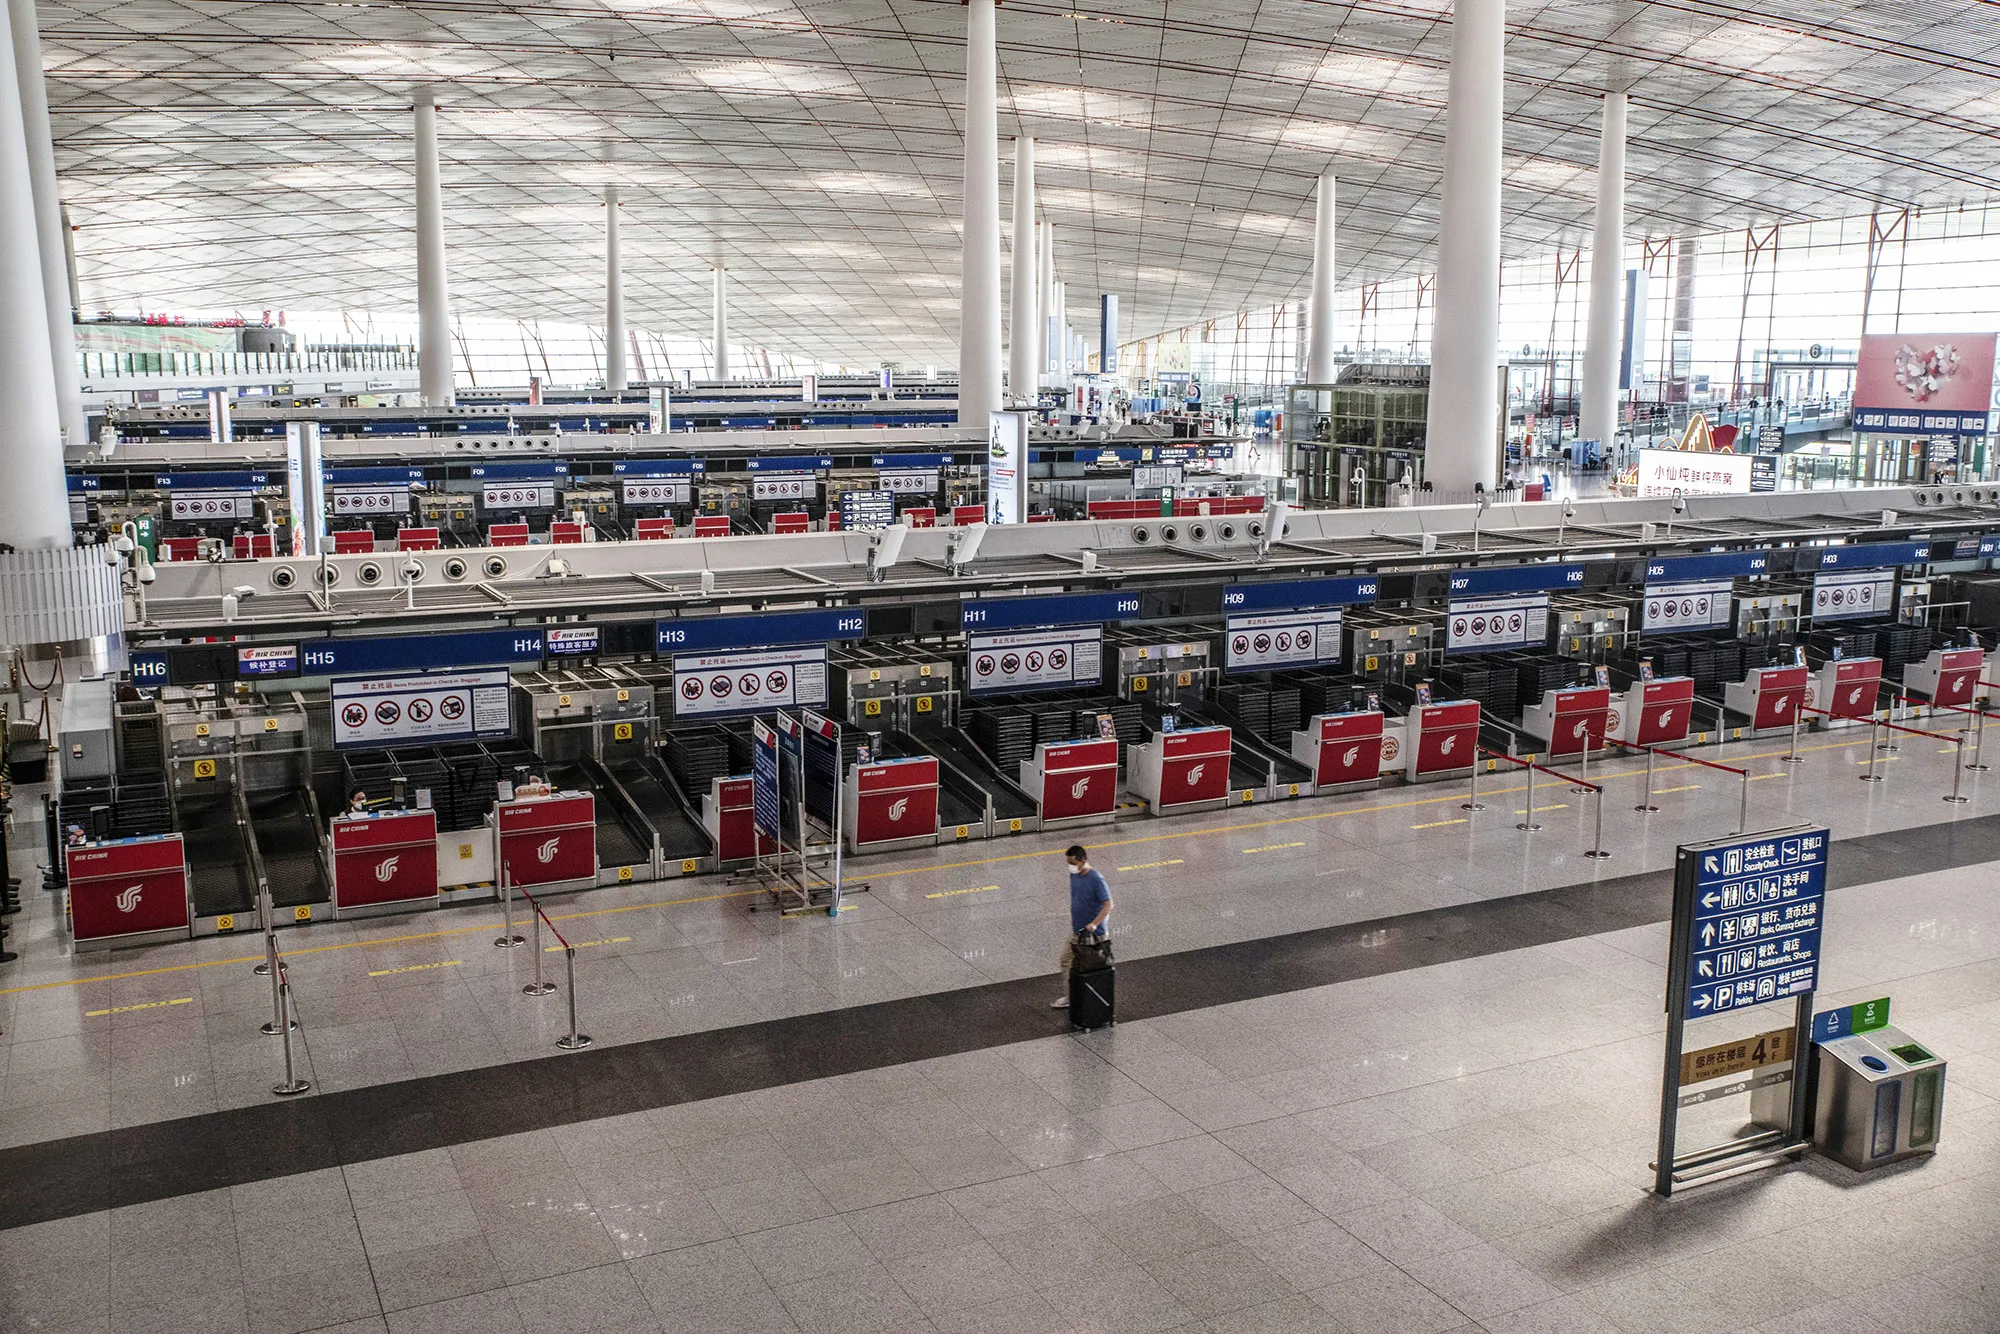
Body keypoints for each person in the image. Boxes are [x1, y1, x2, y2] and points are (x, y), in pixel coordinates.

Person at [1053, 844, 1112, 1009]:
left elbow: (1108, 905)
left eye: (1073, 862)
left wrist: (1094, 923)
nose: (1070, 866)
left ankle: (1091, 998)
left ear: (1083, 860)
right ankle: (1070, 996)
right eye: (1068, 863)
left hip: (1094, 934)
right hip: (1077, 931)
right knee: (1066, 960)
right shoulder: (1075, 876)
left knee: (1090, 966)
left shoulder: (1096, 879)